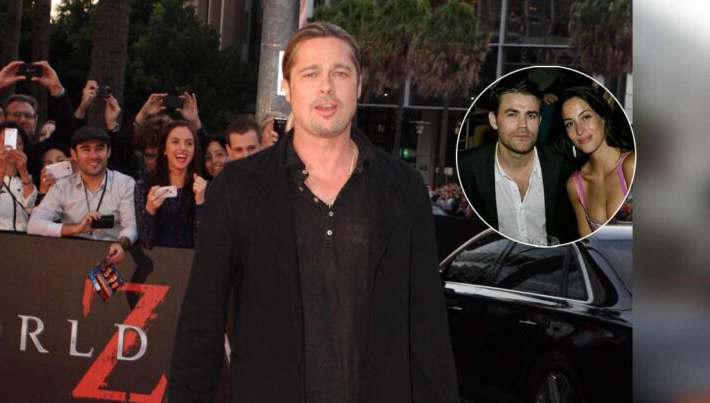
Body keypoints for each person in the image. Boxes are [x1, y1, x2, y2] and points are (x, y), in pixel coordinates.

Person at [169, 22, 458, 403]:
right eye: (310, 74)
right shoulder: (237, 187)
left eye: (340, 73)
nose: (326, 87)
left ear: (358, 85)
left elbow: (426, 324)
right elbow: (203, 316)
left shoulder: (403, 189)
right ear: (287, 87)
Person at [457, 75, 577, 245]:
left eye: (531, 115)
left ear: (540, 120)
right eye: (512, 114)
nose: (523, 125)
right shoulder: (466, 169)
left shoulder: (565, 169)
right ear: (494, 120)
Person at [27, 126, 136, 265]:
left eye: (99, 149)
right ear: (74, 154)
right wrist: (75, 228)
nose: (93, 156)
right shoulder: (62, 186)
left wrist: (121, 245)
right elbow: (34, 224)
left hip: (112, 259)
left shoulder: (125, 183)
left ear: (109, 152)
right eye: (86, 149)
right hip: (71, 259)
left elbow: (131, 225)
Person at [559, 86, 635, 237]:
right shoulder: (575, 185)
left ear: (603, 117)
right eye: (569, 123)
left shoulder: (631, 165)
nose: (579, 130)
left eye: (586, 117)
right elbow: (588, 245)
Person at [134, 121, 207, 249]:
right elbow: (146, 243)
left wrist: (200, 202)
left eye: (189, 143)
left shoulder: (204, 188)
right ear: (164, 149)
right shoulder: (144, 185)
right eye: (175, 142)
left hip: (192, 261)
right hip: (157, 260)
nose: (183, 148)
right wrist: (150, 210)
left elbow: (204, 244)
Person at [0, 122, 37, 232]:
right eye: (5, 142)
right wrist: (1, 171)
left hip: (22, 239)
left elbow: (31, 207)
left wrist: (23, 172)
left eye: (19, 143)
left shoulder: (28, 180)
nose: (13, 147)